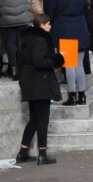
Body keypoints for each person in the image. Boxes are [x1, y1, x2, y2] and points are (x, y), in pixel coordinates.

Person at [16, 14, 65, 165]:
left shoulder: (27, 39)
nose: (50, 26)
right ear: (42, 25)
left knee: (34, 120)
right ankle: (42, 154)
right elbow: (39, 62)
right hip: (40, 83)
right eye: (49, 24)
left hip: (30, 83)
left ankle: (23, 153)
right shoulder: (41, 40)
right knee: (42, 120)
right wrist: (57, 58)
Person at [45, 0, 91, 106]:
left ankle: (72, 95)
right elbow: (85, 10)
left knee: (69, 65)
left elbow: (49, 13)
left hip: (64, 32)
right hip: (81, 31)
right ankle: (82, 95)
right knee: (80, 64)